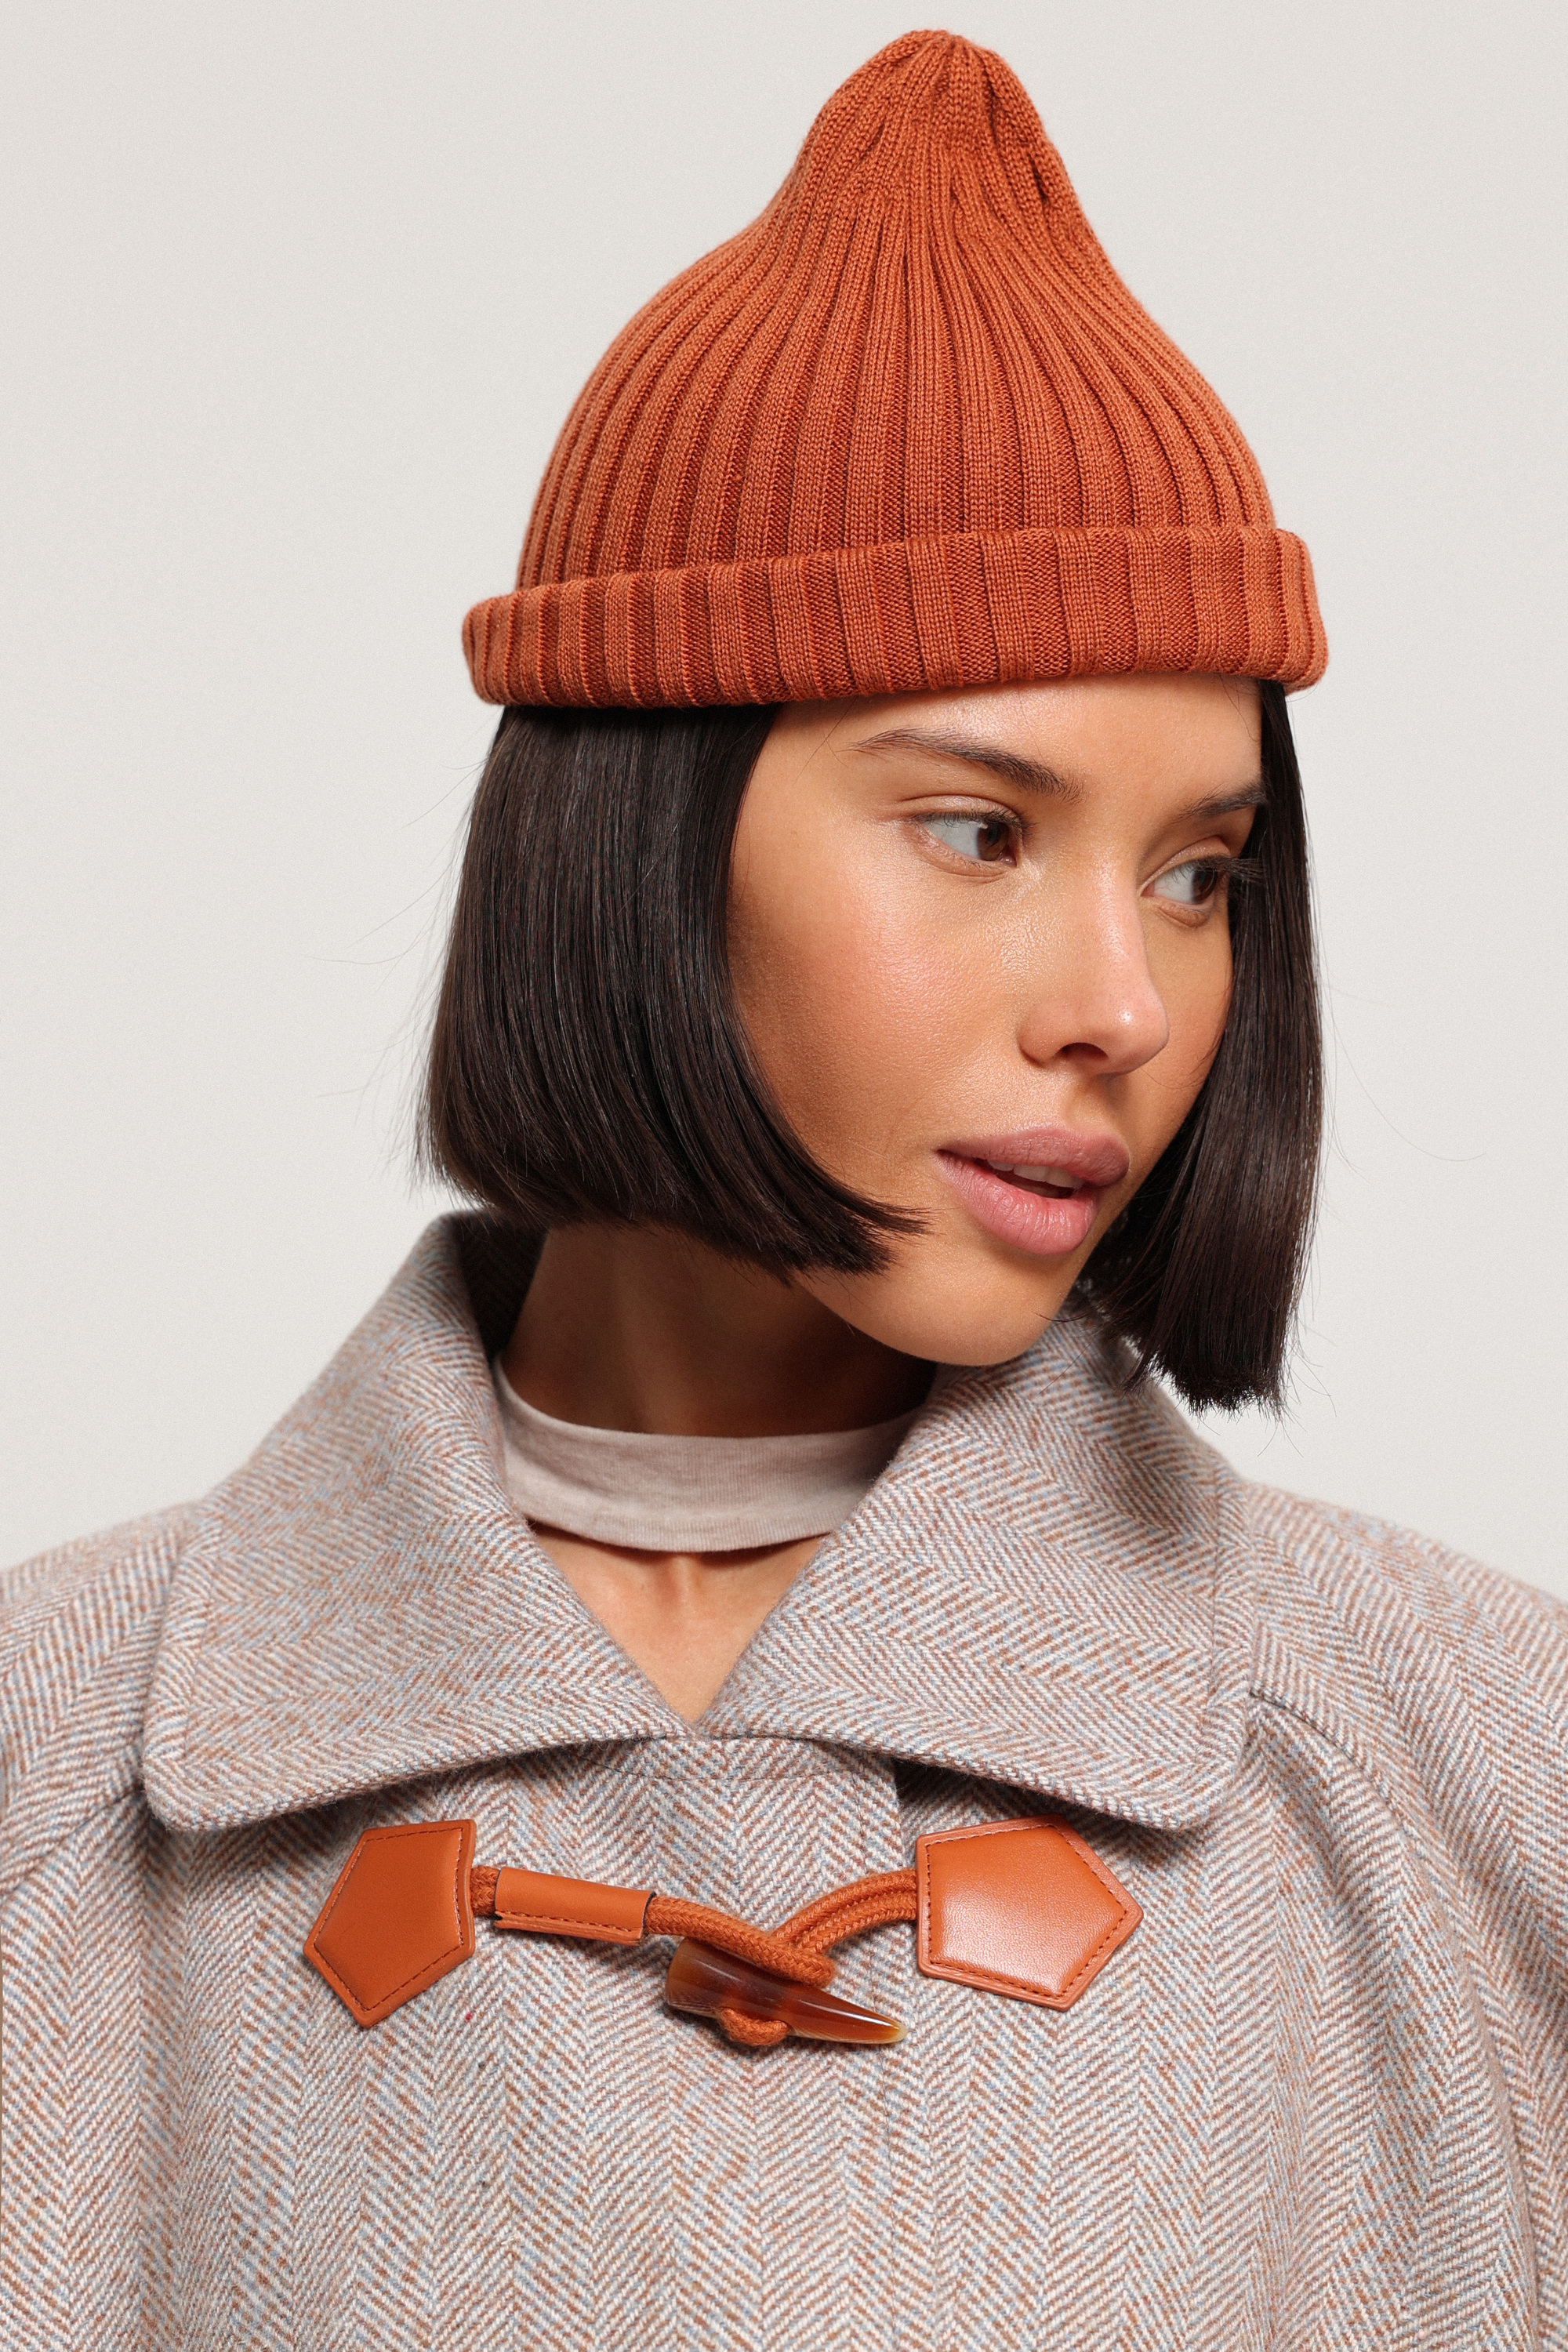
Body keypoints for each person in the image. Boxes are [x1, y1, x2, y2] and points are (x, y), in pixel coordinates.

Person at [3, 29, 1564, 2348]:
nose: (1123, 1004)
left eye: (1201, 872)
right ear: (635, 839)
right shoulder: (53, 1779)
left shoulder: (1481, 1779)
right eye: (981, 831)